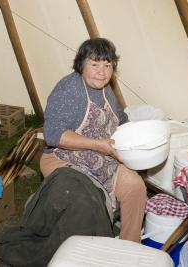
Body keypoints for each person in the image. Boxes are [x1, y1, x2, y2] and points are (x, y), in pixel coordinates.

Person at [40, 37, 147, 243]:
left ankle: (130, 246)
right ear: (82, 64)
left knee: (136, 187)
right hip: (63, 158)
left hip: (103, 156)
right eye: (95, 64)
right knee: (89, 202)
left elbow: (120, 118)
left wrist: (135, 135)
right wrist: (99, 145)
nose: (102, 71)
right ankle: (84, 250)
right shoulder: (69, 89)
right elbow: (54, 134)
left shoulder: (105, 89)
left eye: (107, 65)